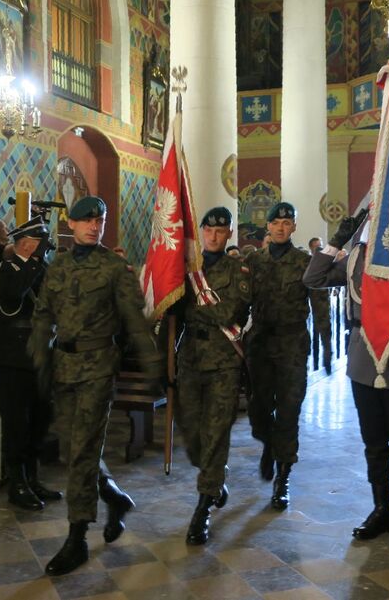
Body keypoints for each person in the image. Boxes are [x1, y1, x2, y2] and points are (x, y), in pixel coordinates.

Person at [29, 195, 160, 576]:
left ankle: (77, 538)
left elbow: (135, 321)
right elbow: (43, 314)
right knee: (73, 450)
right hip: (63, 367)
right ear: (71, 224)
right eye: (85, 221)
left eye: (99, 221)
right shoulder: (58, 266)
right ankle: (114, 498)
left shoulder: (114, 267)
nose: (93, 226)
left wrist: (151, 365)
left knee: (84, 448)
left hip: (98, 368)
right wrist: (39, 356)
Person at [303, 208, 389, 547]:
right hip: (363, 356)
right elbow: (313, 278)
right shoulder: (356, 257)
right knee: (374, 443)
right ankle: (381, 508)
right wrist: (336, 241)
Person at [245, 202, 331, 510]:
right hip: (261, 346)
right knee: (258, 410)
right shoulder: (253, 261)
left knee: (289, 411)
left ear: (294, 227)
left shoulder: (305, 261)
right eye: (276, 223)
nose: (281, 228)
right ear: (267, 227)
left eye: (287, 223)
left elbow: (320, 303)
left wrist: (327, 345)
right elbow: (241, 302)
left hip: (293, 344)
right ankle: (268, 443)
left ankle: (283, 477)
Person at [174, 207, 251, 545]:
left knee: (216, 432)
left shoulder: (240, 270)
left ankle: (203, 506)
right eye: (209, 230)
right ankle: (215, 479)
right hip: (190, 360)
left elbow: (229, 311)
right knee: (193, 437)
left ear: (229, 234)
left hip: (223, 363)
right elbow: (173, 306)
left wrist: (192, 309)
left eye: (222, 231)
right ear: (202, 231)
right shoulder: (188, 270)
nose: (215, 236)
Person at [0, 217, 61, 512]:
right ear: (27, 244)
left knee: (39, 420)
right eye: (40, 244)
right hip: (14, 359)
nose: (43, 250)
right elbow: (13, 295)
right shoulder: (8, 269)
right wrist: (33, 262)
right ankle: (16, 482)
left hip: (41, 355)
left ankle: (33, 478)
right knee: (16, 423)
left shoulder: (41, 268)